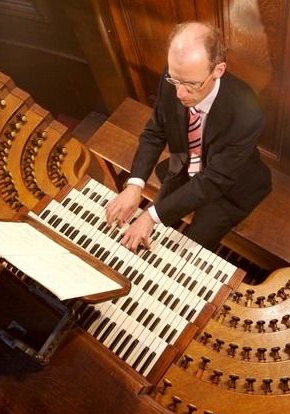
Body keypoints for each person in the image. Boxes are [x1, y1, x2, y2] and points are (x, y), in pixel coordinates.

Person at [105, 21, 271, 252]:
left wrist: (150, 215)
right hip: (186, 169)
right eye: (175, 80)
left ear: (218, 70)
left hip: (227, 189)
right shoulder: (175, 77)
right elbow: (155, 132)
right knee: (155, 223)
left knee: (188, 250)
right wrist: (134, 185)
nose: (180, 93)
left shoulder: (247, 113)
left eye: (191, 85)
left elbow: (212, 182)